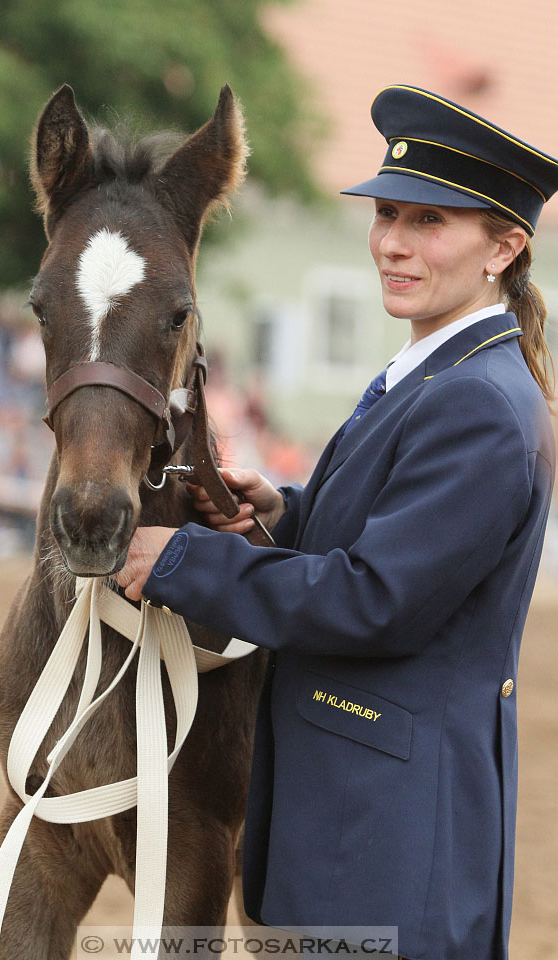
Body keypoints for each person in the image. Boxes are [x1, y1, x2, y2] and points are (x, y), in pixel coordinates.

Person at [116, 85, 558, 960]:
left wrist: (184, 565)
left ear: (504, 248)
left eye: (430, 222)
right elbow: (391, 532)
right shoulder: (434, 372)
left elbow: (376, 598)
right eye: (388, 212)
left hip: (392, 852)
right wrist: (284, 511)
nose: (392, 242)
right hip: (357, 830)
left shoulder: (476, 401)